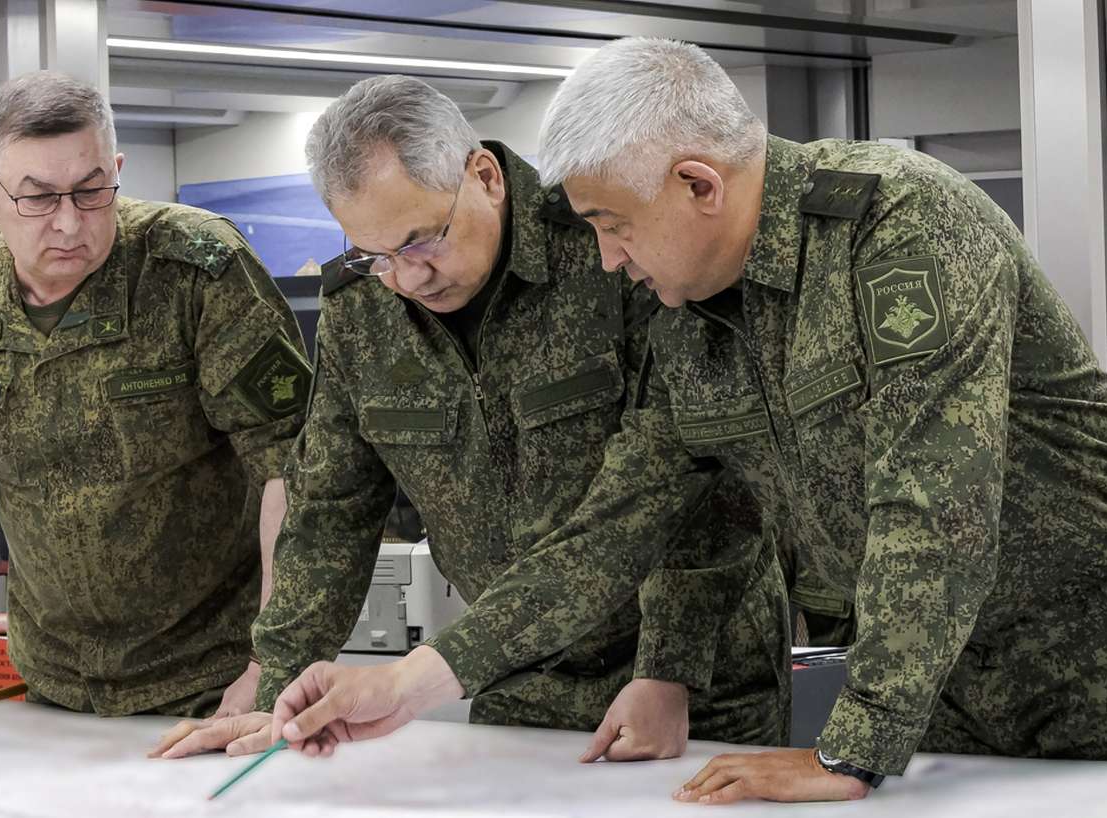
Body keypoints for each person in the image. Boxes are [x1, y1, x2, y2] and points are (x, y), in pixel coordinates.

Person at [534, 36, 1107, 803]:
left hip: (1084, 662)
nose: (609, 258)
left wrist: (852, 749)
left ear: (698, 185)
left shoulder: (901, 219)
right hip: (938, 698)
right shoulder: (702, 309)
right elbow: (623, 517)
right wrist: (430, 673)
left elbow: (935, 500)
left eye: (614, 224)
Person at [152, 74, 790, 763]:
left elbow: (703, 481)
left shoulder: (610, 247)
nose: (407, 278)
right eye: (375, 255)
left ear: (483, 175)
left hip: (694, 679)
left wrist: (670, 666)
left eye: (421, 240)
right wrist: (276, 688)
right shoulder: (364, 307)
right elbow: (330, 508)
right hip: (510, 668)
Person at [0, 71, 309, 730]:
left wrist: (272, 661)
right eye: (37, 198)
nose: (68, 222)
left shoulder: (196, 271)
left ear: (115, 169)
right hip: (53, 687)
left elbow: (294, 464)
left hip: (216, 678)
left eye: (91, 191)